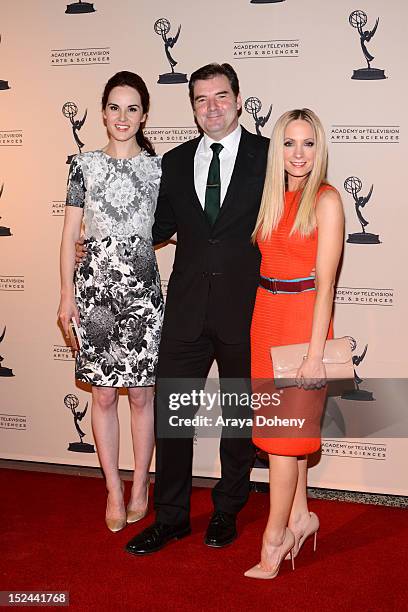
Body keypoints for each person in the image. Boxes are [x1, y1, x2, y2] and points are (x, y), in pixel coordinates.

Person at [123, 63, 270, 554]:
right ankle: (172, 517)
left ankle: (227, 509)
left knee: (237, 417)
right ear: (192, 107)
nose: (212, 107)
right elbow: (158, 226)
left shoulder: (268, 157)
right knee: (174, 417)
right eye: (202, 99)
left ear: (239, 99)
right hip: (185, 309)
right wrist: (106, 243)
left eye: (221, 96)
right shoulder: (175, 159)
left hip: (245, 309)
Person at [58, 71, 164, 533]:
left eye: (133, 108)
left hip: (142, 291)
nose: (123, 117)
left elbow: (176, 226)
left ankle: (141, 484)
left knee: (141, 394)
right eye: (115, 107)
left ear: (144, 115)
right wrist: (66, 294)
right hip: (95, 290)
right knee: (102, 394)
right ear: (102, 113)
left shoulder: (159, 169)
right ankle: (114, 489)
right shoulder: (82, 165)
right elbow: (68, 236)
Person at [245, 109, 344, 579]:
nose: (298, 153)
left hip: (303, 324)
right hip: (266, 320)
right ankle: (303, 517)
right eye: (289, 143)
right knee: (285, 438)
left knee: (283, 442)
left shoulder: (326, 200)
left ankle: (275, 537)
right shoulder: (271, 198)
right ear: (277, 149)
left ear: (318, 148)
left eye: (307, 144)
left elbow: (326, 284)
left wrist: (313, 354)